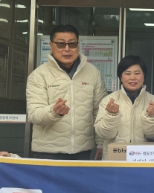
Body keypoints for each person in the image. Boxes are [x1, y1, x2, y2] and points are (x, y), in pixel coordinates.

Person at [26, 24, 107, 160]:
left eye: (72, 44)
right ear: (51, 45)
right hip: (47, 152)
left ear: (78, 45)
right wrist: (54, 112)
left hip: (83, 151)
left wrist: (100, 143)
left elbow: (99, 112)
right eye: (61, 44)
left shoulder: (93, 73)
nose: (67, 49)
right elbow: (34, 115)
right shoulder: (39, 75)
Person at [95, 55, 154, 158]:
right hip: (115, 159)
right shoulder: (108, 101)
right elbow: (104, 134)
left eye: (137, 73)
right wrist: (111, 116)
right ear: (121, 77)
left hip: (143, 158)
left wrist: (151, 117)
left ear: (144, 76)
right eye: (127, 73)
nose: (132, 77)